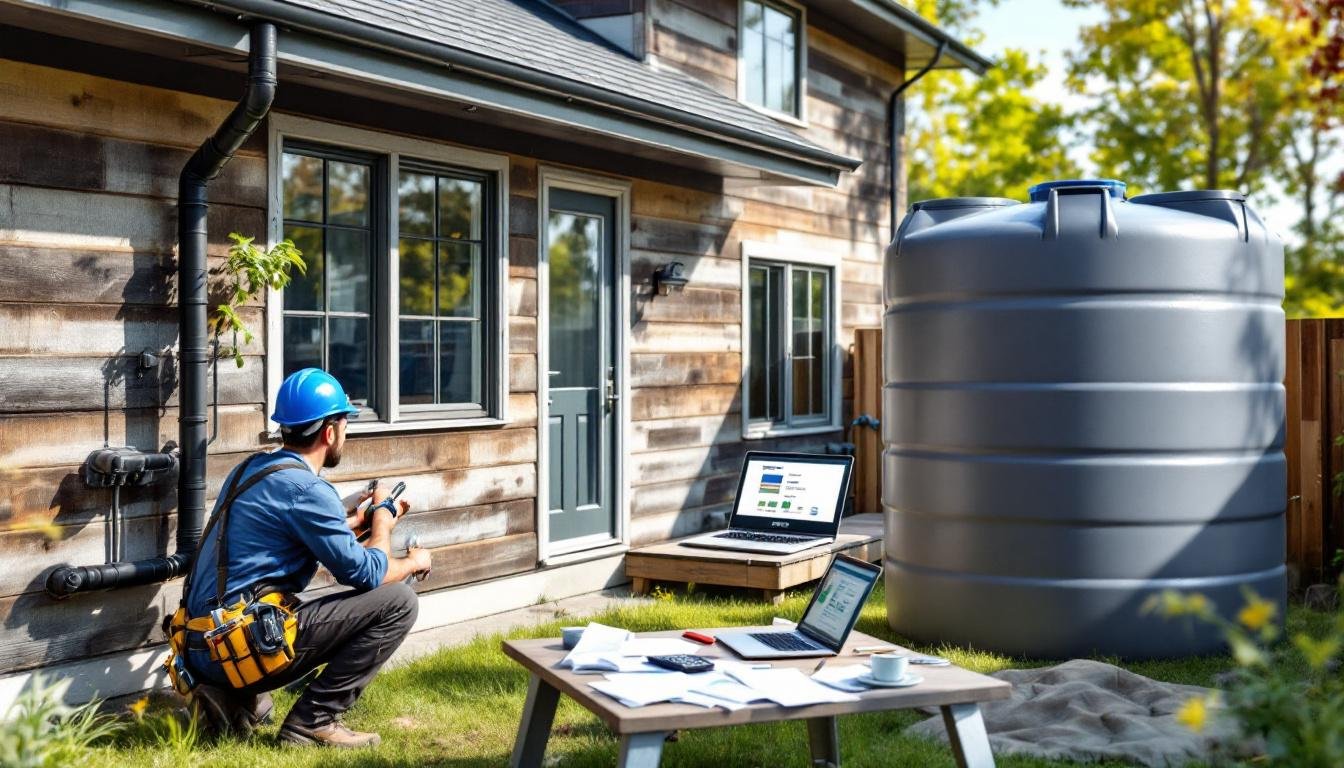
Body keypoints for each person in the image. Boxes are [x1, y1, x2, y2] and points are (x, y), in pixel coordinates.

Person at [182, 368, 432, 748]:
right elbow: (366, 573)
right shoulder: (309, 490)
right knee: (399, 602)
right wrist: (390, 530)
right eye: (345, 423)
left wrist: (357, 519)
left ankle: (231, 700)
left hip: (201, 647)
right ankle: (313, 722)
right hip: (237, 647)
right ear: (330, 432)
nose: (345, 433)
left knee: (279, 612)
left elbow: (294, 531)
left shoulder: (249, 470)